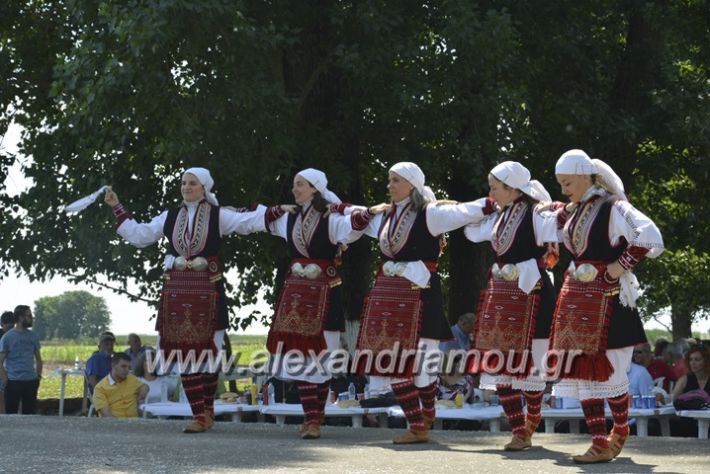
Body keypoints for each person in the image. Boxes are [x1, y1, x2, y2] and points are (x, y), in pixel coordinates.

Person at [104, 167, 266, 433]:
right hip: (177, 294)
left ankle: (207, 413)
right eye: (183, 183)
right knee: (184, 357)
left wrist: (278, 213)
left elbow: (248, 222)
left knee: (208, 358)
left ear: (204, 188)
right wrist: (117, 207)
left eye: (192, 183)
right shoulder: (170, 216)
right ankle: (199, 414)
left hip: (208, 294)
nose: (186, 187)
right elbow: (141, 235)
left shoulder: (218, 215)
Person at [353, 162, 486, 444]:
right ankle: (418, 424)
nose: (389, 185)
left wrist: (494, 202)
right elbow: (348, 219)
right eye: (388, 180)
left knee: (424, 368)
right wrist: (356, 209)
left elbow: (462, 212)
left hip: (421, 296)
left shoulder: (430, 214)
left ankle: (425, 414)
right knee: (392, 364)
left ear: (412, 184)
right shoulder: (385, 217)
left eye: (395, 180)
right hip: (389, 298)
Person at [547, 149, 664, 463]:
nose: (563, 189)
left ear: (585, 176)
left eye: (567, 182)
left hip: (608, 303)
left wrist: (620, 265)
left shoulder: (614, 207)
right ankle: (599, 441)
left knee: (610, 376)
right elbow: (550, 227)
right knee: (581, 375)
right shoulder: (573, 211)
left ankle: (620, 429)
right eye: (560, 183)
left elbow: (650, 235)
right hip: (576, 302)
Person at [264, 168, 370, 440]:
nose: (294, 189)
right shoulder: (288, 217)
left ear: (314, 188)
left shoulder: (331, 218)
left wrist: (346, 209)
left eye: (300, 185)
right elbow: (254, 220)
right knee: (299, 360)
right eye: (295, 184)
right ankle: (313, 418)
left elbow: (355, 226)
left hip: (324, 294)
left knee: (321, 359)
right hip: (296, 294)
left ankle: (314, 420)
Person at [464, 161, 558, 451]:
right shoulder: (499, 216)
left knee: (532, 367)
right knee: (498, 365)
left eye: (494, 187)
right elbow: (471, 232)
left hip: (533, 293)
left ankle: (530, 422)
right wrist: (485, 207)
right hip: (503, 294)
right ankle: (519, 429)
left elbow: (557, 231)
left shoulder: (537, 214)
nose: (490, 192)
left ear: (513, 188)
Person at [0, 305, 43, 414]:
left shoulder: (33, 336)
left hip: (31, 382)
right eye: (29, 316)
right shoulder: (7, 338)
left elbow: (38, 359)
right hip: (13, 382)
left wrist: (38, 377)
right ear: (20, 317)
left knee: (30, 416)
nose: (31, 318)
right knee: (11, 416)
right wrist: (5, 379)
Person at [93, 352, 149, 418]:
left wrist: (142, 392)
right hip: (114, 425)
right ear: (113, 366)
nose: (127, 370)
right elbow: (106, 415)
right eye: (123, 366)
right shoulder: (100, 388)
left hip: (135, 423)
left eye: (129, 367)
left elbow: (145, 386)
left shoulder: (131, 378)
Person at [0, 310, 15, 414]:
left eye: (12, 326)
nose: (10, 329)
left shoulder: (16, 335)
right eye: (8, 327)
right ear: (2, 324)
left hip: (12, 369)